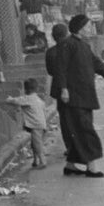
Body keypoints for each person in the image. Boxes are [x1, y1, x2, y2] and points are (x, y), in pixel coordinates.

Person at [56, 14, 104, 177]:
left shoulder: (84, 46)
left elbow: (96, 64)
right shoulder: (67, 44)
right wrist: (64, 89)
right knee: (85, 130)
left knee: (80, 129)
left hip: (85, 94)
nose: (90, 29)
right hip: (73, 95)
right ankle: (92, 167)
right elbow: (61, 69)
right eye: (87, 26)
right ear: (79, 27)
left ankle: (71, 164)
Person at [44, 23, 77, 164]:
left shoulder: (50, 52)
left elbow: (50, 72)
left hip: (59, 89)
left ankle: (70, 147)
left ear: (53, 36)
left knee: (64, 119)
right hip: (75, 87)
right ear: (67, 34)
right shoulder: (73, 48)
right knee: (77, 117)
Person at [4, 77, 49, 169]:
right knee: (34, 143)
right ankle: (35, 160)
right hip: (41, 124)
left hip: (35, 125)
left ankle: (42, 160)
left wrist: (9, 99)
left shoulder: (27, 99)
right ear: (36, 89)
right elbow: (44, 109)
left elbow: (16, 101)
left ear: (26, 90)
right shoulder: (38, 99)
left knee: (37, 144)